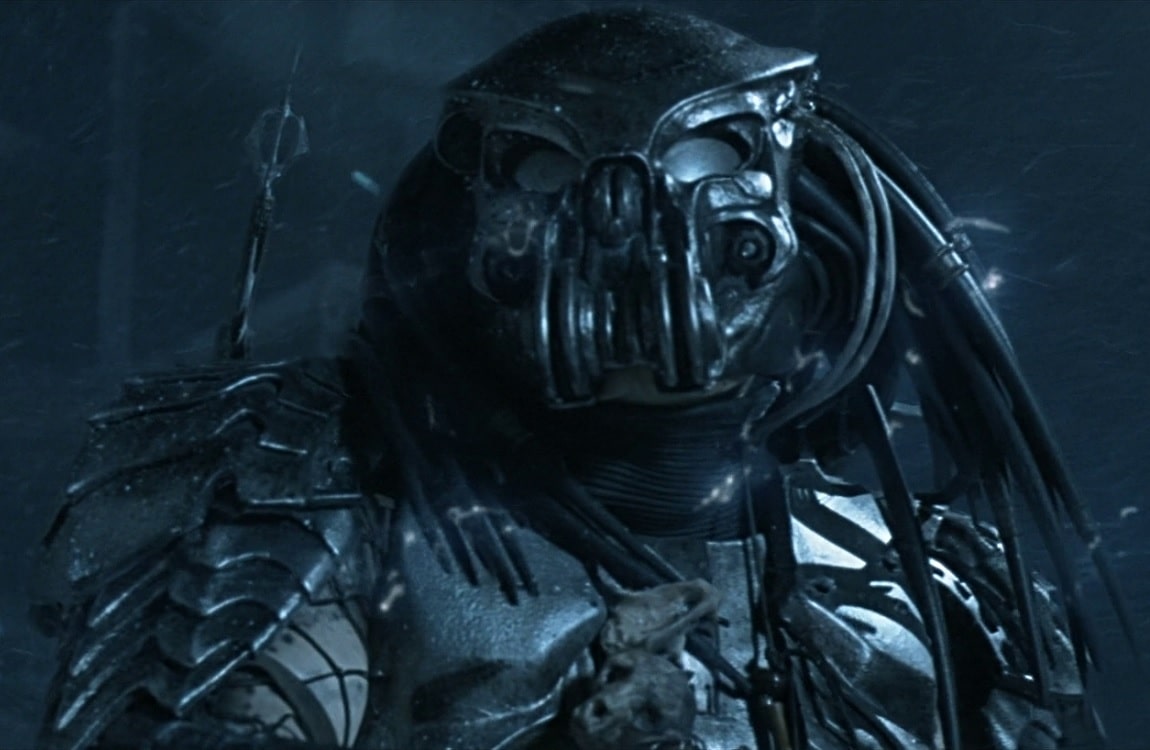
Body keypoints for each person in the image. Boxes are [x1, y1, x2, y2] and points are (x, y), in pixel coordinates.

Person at [32, 8, 1119, 750]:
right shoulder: (325, 528)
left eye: (701, 177)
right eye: (555, 177)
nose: (633, 245)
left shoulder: (931, 584)